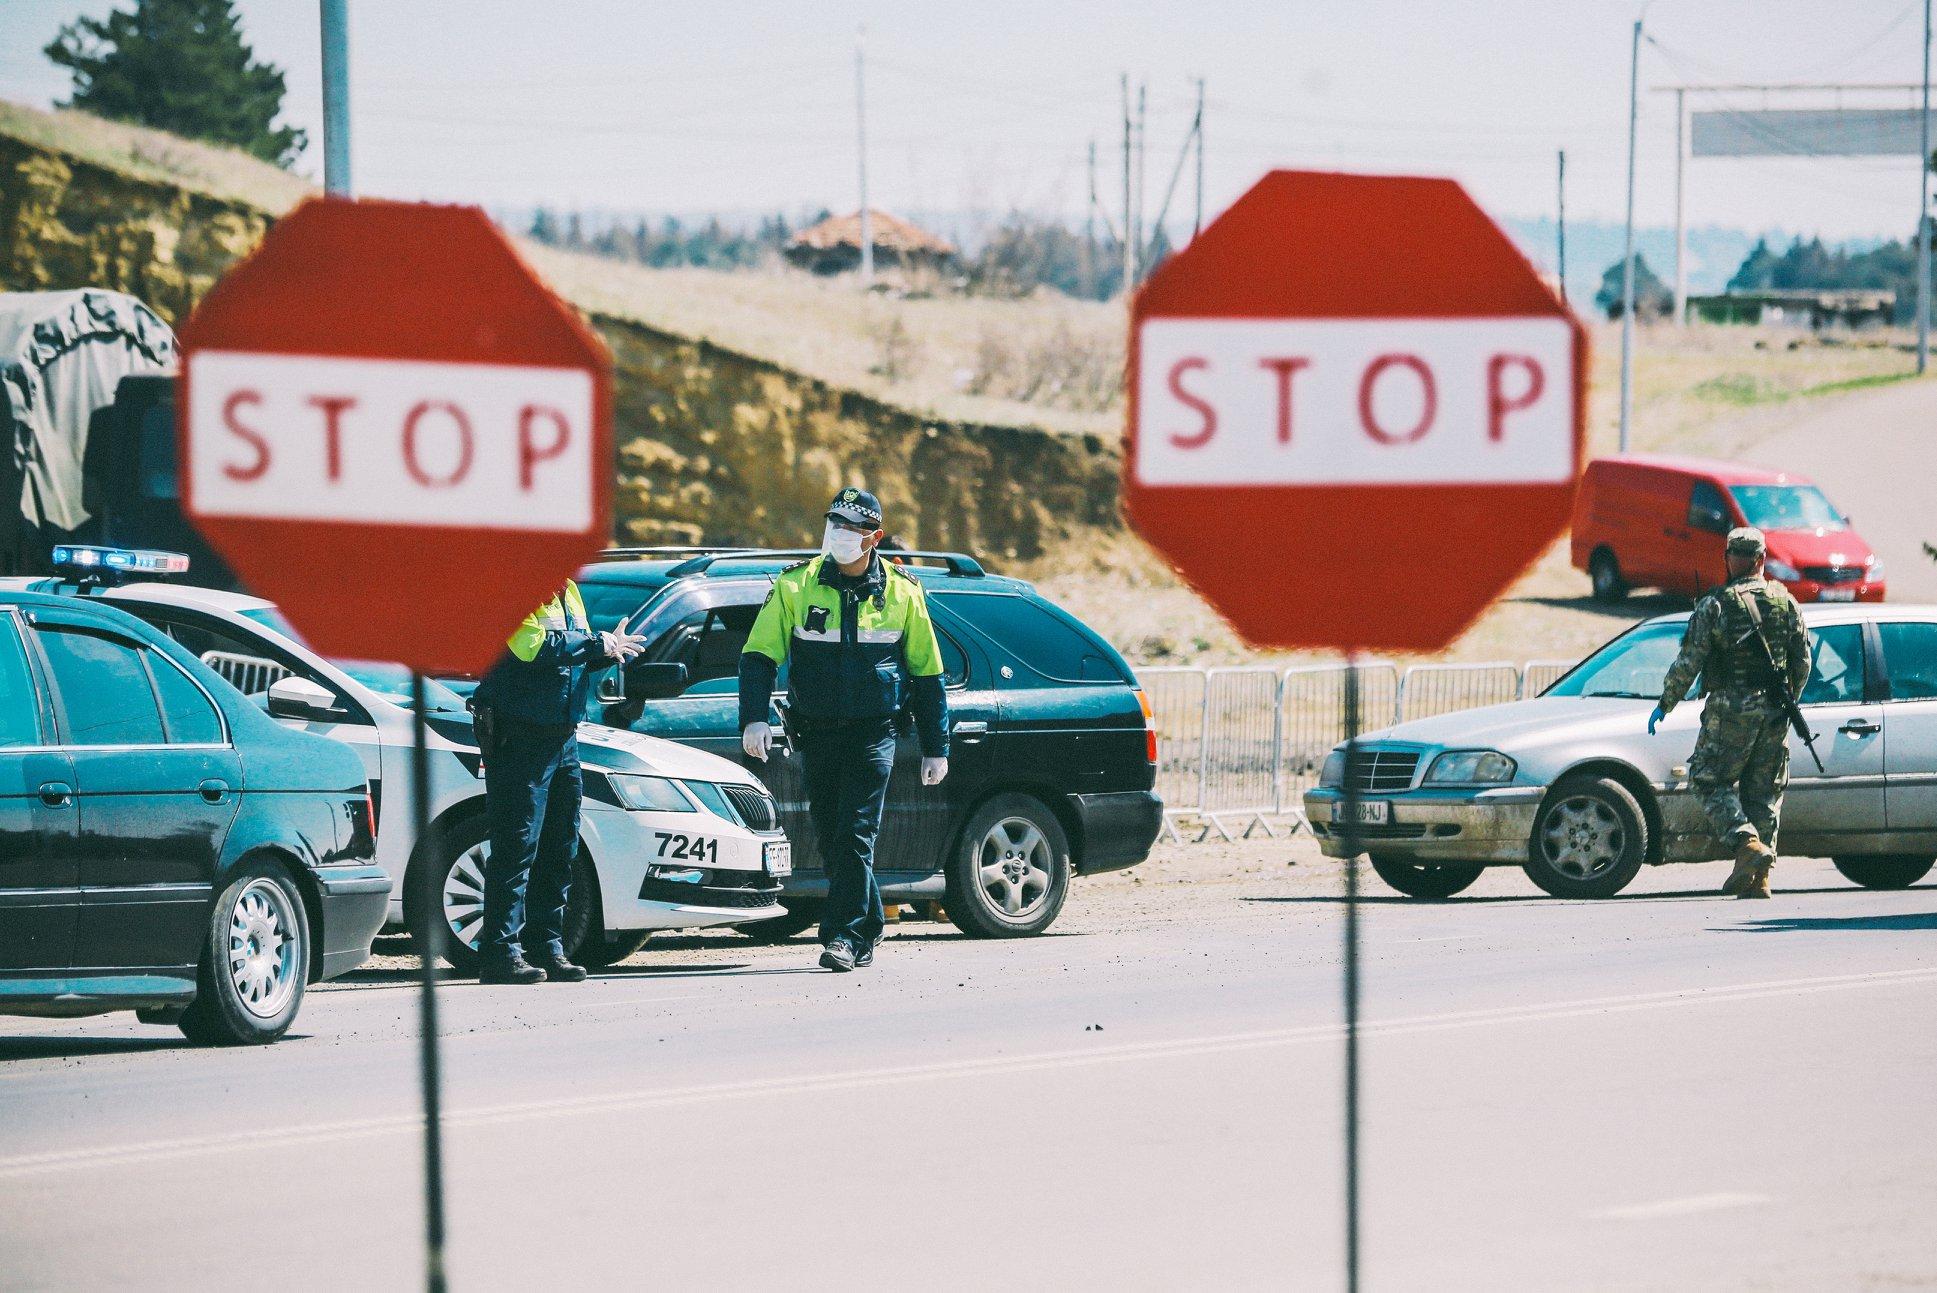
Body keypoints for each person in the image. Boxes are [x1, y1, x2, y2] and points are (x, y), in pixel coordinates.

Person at [738, 488, 949, 972]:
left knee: (855, 831)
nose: (838, 533)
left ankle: (843, 937)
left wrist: (937, 746)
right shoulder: (795, 586)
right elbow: (758, 655)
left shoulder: (902, 592)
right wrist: (753, 716)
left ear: (873, 537)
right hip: (815, 730)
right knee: (830, 832)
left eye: (851, 527)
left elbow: (926, 673)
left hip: (874, 733)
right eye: (833, 521)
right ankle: (868, 918)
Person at [470, 581, 643, 983]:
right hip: (520, 735)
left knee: (560, 845)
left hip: (563, 735)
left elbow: (572, 655)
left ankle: (547, 946)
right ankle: (499, 951)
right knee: (516, 846)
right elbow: (531, 648)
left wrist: (606, 651)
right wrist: (594, 644)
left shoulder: (567, 589)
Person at [1649, 526, 1809, 900]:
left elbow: (1689, 660)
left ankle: (1746, 845)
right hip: (1774, 709)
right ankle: (1761, 878)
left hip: (1731, 708)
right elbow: (1802, 661)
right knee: (1763, 792)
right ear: (1762, 560)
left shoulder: (1715, 604)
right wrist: (1787, 701)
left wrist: (1665, 703)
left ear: (1728, 559)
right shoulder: (1786, 602)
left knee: (1707, 778)